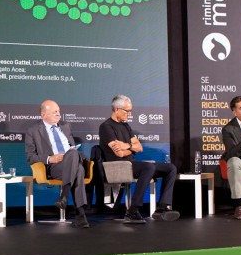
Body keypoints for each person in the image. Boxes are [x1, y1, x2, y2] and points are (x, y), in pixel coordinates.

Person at [98, 95, 179, 224]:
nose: (129, 114)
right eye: (127, 111)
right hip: (117, 166)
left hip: (130, 164)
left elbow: (139, 147)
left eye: (130, 111)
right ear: (117, 109)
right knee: (148, 167)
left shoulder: (126, 126)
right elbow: (118, 154)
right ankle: (133, 210)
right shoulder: (106, 127)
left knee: (171, 168)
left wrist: (127, 146)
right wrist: (131, 148)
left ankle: (162, 207)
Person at [25, 100, 90, 228]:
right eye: (55, 112)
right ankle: (79, 212)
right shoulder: (33, 131)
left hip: (71, 160)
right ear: (44, 115)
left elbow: (72, 147)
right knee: (79, 169)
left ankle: (65, 198)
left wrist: (74, 154)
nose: (58, 114)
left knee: (73, 157)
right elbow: (30, 157)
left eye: (59, 111)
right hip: (54, 167)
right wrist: (50, 158)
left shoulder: (66, 126)